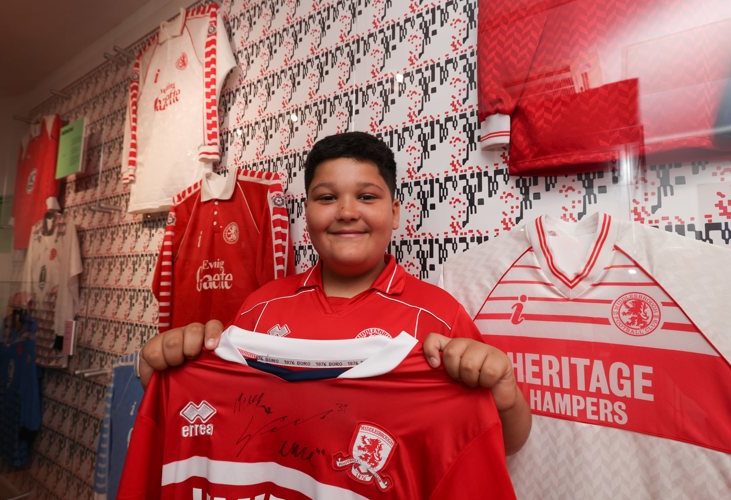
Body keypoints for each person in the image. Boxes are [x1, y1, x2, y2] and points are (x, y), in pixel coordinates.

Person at [137, 131, 532, 454]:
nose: (346, 212)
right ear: (306, 212)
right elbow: (214, 415)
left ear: (394, 213)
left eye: (366, 197)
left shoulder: (438, 315)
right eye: (326, 197)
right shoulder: (261, 308)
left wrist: (505, 394)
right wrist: (162, 372)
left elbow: (504, 443)